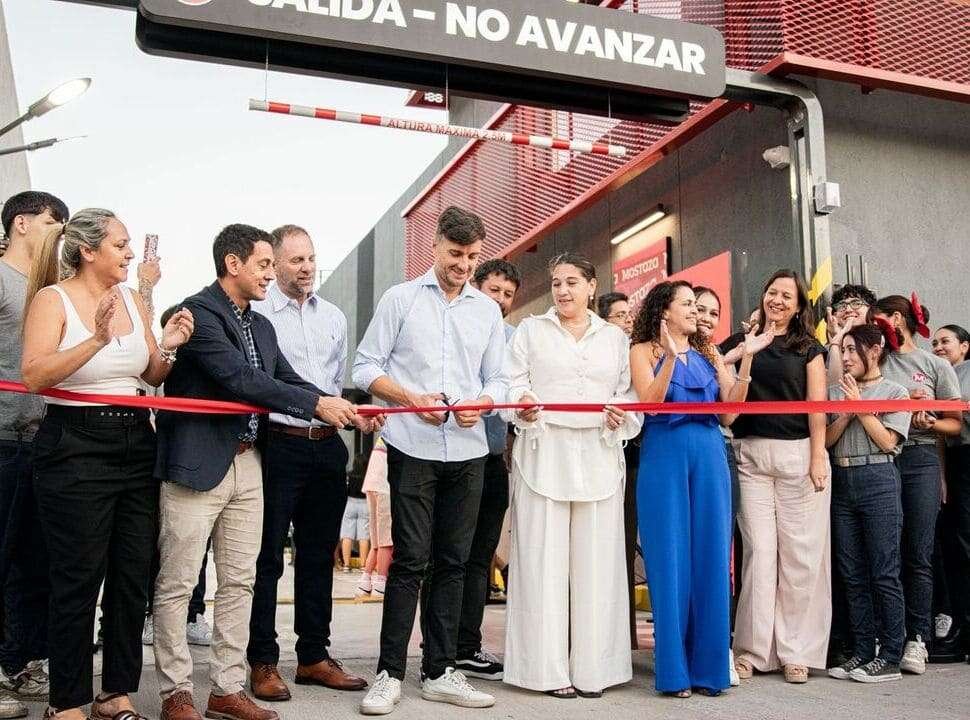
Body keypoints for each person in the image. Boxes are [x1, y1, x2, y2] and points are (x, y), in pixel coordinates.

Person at [152, 224, 378, 720]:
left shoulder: (260, 325)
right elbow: (242, 380)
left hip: (248, 463)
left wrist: (338, 406)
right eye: (264, 264)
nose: (271, 274)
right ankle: (176, 693)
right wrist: (316, 405)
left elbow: (286, 378)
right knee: (178, 583)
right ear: (233, 264)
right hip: (198, 466)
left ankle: (226, 689)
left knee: (240, 582)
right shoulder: (198, 314)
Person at [20, 208, 194, 720]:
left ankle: (115, 693)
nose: (131, 254)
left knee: (131, 577)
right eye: (120, 245)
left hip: (136, 440)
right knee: (78, 578)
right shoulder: (52, 299)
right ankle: (66, 701)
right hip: (74, 443)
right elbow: (34, 375)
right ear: (88, 250)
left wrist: (169, 346)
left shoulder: (135, 300)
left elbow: (151, 374)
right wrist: (95, 338)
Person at [352, 206, 507, 715]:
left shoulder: (487, 311)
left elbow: (499, 380)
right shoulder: (399, 299)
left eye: (473, 257)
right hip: (412, 448)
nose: (464, 265)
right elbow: (365, 366)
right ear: (435, 246)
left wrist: (482, 403)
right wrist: (409, 398)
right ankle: (389, 673)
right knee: (410, 560)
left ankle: (441, 671)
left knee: (455, 562)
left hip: (469, 451)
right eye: (456, 254)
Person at [503, 252, 639, 699]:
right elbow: (511, 384)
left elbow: (629, 395)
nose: (562, 291)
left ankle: (594, 670)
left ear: (591, 286)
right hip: (544, 454)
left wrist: (622, 414)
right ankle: (545, 672)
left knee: (598, 566)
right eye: (556, 283)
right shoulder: (530, 330)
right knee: (541, 563)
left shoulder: (615, 339)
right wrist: (522, 403)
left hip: (599, 455)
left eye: (572, 282)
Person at [246, 224, 368, 700]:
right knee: (266, 559)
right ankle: (262, 661)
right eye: (296, 260)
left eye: (311, 258)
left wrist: (349, 416)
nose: (307, 267)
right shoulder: (256, 315)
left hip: (327, 447)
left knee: (318, 557)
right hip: (278, 445)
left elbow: (334, 385)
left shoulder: (333, 316)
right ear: (274, 264)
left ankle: (314, 657)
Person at [632, 281, 768, 697]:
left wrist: (747, 359)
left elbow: (729, 413)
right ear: (664, 311)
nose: (695, 311)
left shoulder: (709, 352)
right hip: (664, 455)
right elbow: (650, 403)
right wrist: (671, 359)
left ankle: (709, 670)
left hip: (709, 453)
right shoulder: (643, 351)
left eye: (697, 305)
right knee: (669, 559)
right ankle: (673, 672)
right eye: (687, 304)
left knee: (711, 556)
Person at [724, 269, 830, 684]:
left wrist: (817, 457)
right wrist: (744, 349)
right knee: (760, 554)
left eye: (787, 296)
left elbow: (817, 406)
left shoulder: (809, 348)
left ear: (800, 305)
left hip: (798, 456)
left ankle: (795, 651)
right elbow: (716, 371)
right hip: (750, 457)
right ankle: (751, 651)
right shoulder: (742, 340)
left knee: (799, 557)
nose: (778, 301)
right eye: (772, 292)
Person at [423, 258, 519, 682]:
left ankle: (466, 647)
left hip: (494, 460)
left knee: (480, 558)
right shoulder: (449, 329)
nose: (500, 300)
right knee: (444, 556)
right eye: (493, 290)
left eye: (508, 295)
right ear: (475, 288)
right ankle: (436, 648)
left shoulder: (515, 340)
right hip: (450, 457)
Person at [0, 192, 68, 718]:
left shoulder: (53, 289)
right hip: (2, 439)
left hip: (44, 442)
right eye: (52, 223)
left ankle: (23, 663)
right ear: (21, 224)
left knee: (36, 559)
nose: (60, 232)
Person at [872, 294, 962, 674]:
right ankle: (889, 634)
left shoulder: (934, 364)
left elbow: (954, 422)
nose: (876, 328)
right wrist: (903, 401)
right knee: (886, 552)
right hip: (884, 456)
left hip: (921, 456)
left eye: (879, 320)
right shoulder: (878, 360)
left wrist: (931, 422)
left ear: (897, 318)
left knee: (919, 551)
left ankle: (918, 638)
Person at [825, 323, 910, 683]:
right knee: (852, 572)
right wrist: (846, 410)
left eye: (852, 350)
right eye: (842, 350)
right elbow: (825, 441)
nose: (845, 358)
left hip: (879, 478)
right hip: (842, 479)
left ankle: (890, 655)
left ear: (874, 350)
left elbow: (888, 441)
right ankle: (862, 651)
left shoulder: (895, 391)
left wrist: (858, 407)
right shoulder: (834, 392)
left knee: (884, 571)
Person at [140, 305, 211, 650]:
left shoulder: (198, 363)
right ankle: (152, 615)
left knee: (198, 548)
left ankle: (194, 614)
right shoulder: (156, 358)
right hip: (157, 458)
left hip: (192, 460)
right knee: (160, 545)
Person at [596, 289, 640, 651]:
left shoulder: (639, 352)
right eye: (619, 315)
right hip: (607, 456)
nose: (627, 321)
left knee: (630, 549)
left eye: (630, 315)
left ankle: (626, 639)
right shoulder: (601, 354)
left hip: (641, 455)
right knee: (609, 550)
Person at [937, 324, 970, 664]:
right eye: (934, 342)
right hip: (953, 460)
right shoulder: (939, 374)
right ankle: (961, 628)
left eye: (945, 341)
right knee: (956, 548)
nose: (938, 347)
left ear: (964, 346)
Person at [359, 438, 392, 598]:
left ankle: (365, 581)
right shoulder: (397, 435)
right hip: (384, 486)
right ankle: (381, 583)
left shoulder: (381, 438)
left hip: (371, 485)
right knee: (387, 540)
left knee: (377, 541)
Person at [824, 284, 877, 384]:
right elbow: (834, 389)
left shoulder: (882, 345)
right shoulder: (823, 353)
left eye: (856, 303)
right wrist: (837, 342)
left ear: (871, 309)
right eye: (842, 305)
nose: (848, 310)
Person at [340, 457, 371, 574]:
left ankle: (346, 565)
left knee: (347, 535)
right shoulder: (367, 476)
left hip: (350, 503)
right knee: (364, 535)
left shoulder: (349, 475)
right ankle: (363, 566)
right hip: (365, 503)